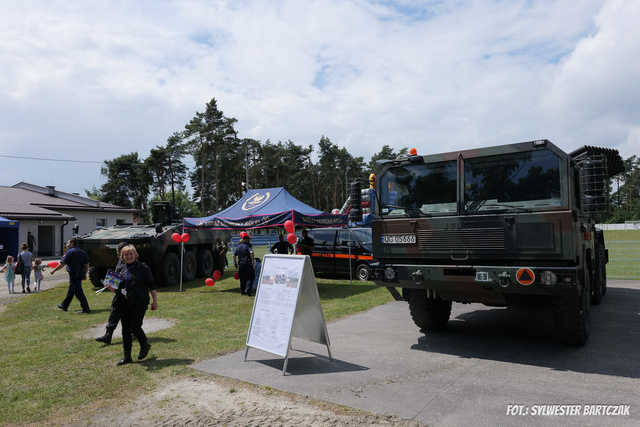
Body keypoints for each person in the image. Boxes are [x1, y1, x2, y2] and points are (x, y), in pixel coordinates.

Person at [112, 244, 157, 366]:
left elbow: (151, 285)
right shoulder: (120, 269)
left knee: (134, 327)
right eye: (126, 254)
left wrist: (155, 301)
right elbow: (115, 288)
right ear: (122, 256)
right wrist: (110, 286)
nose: (128, 256)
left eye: (131, 254)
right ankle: (127, 357)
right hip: (124, 303)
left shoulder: (143, 268)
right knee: (125, 330)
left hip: (139, 302)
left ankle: (144, 344)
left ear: (135, 255)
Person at [96, 242, 129, 345]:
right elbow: (117, 273)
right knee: (114, 313)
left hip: (127, 294)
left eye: (118, 252)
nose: (117, 254)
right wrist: (110, 282)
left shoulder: (130, 262)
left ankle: (135, 333)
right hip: (119, 293)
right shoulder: (120, 260)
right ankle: (108, 336)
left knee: (128, 316)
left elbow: (127, 277)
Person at [51, 238, 91, 313]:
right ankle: (64, 305)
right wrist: (85, 274)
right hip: (80, 274)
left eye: (68, 243)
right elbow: (86, 265)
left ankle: (86, 309)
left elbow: (62, 264)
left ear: (72, 243)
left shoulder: (70, 252)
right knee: (73, 291)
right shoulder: (82, 252)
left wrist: (54, 270)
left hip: (73, 275)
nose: (66, 245)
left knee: (78, 292)